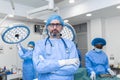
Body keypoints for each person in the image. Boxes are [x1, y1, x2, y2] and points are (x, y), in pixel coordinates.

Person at [33, 14, 80, 80]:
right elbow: (39, 67)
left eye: (58, 24)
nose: (55, 27)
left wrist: (49, 68)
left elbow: (74, 67)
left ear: (62, 27)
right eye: (52, 24)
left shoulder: (70, 44)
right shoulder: (40, 44)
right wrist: (62, 63)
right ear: (47, 27)